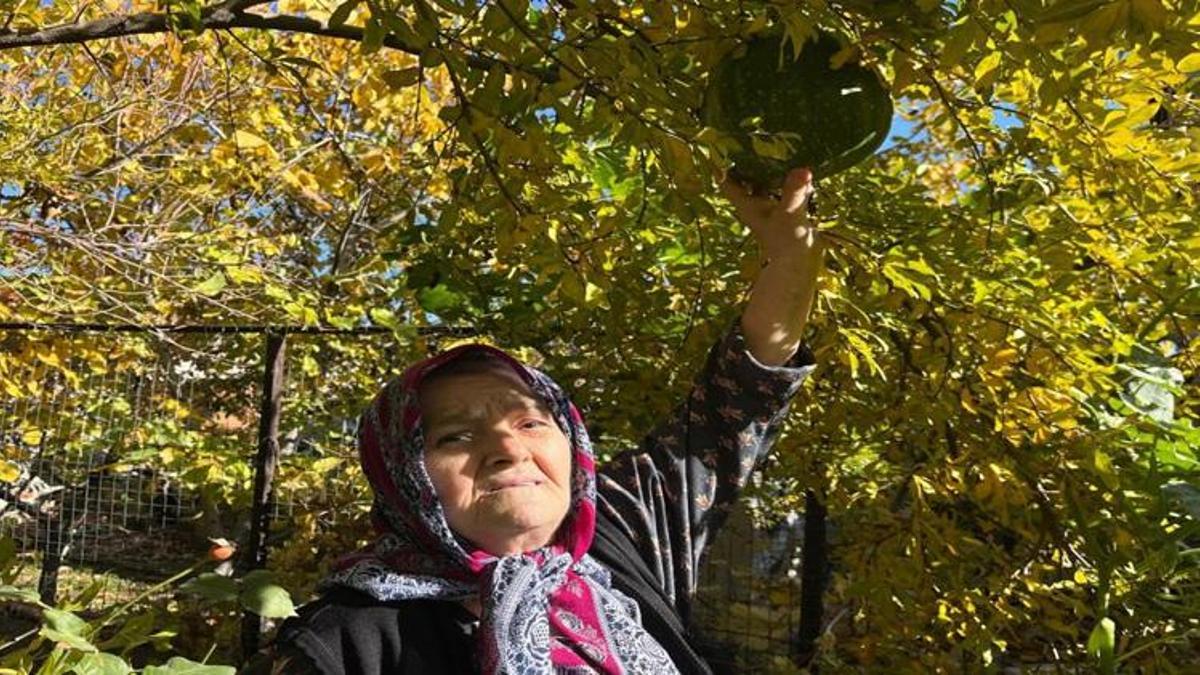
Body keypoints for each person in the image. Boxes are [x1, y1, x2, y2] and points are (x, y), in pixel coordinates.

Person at [243, 168, 828, 674]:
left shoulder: (625, 536)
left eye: (529, 423)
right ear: (405, 483)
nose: (506, 448)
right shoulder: (345, 642)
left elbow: (741, 396)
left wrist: (789, 260)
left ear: (571, 445)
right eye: (454, 436)